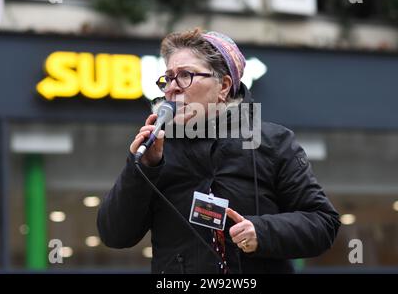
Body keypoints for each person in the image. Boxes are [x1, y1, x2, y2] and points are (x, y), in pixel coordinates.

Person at [97, 28, 340, 274]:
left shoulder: (274, 142)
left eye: (185, 75)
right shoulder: (158, 150)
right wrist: (142, 169)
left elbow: (323, 223)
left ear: (223, 86)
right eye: (168, 78)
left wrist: (261, 231)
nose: (172, 88)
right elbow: (114, 235)